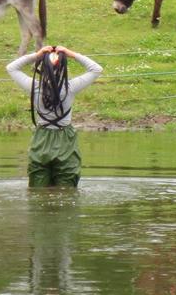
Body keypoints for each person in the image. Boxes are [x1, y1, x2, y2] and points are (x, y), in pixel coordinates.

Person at [6, 44, 103, 187]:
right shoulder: (70, 88)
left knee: (38, 189)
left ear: (42, 68)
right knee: (67, 188)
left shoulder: (34, 87)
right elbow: (96, 69)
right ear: (63, 69)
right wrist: (71, 53)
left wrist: (36, 55)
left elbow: (11, 68)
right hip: (65, 140)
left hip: (41, 140)